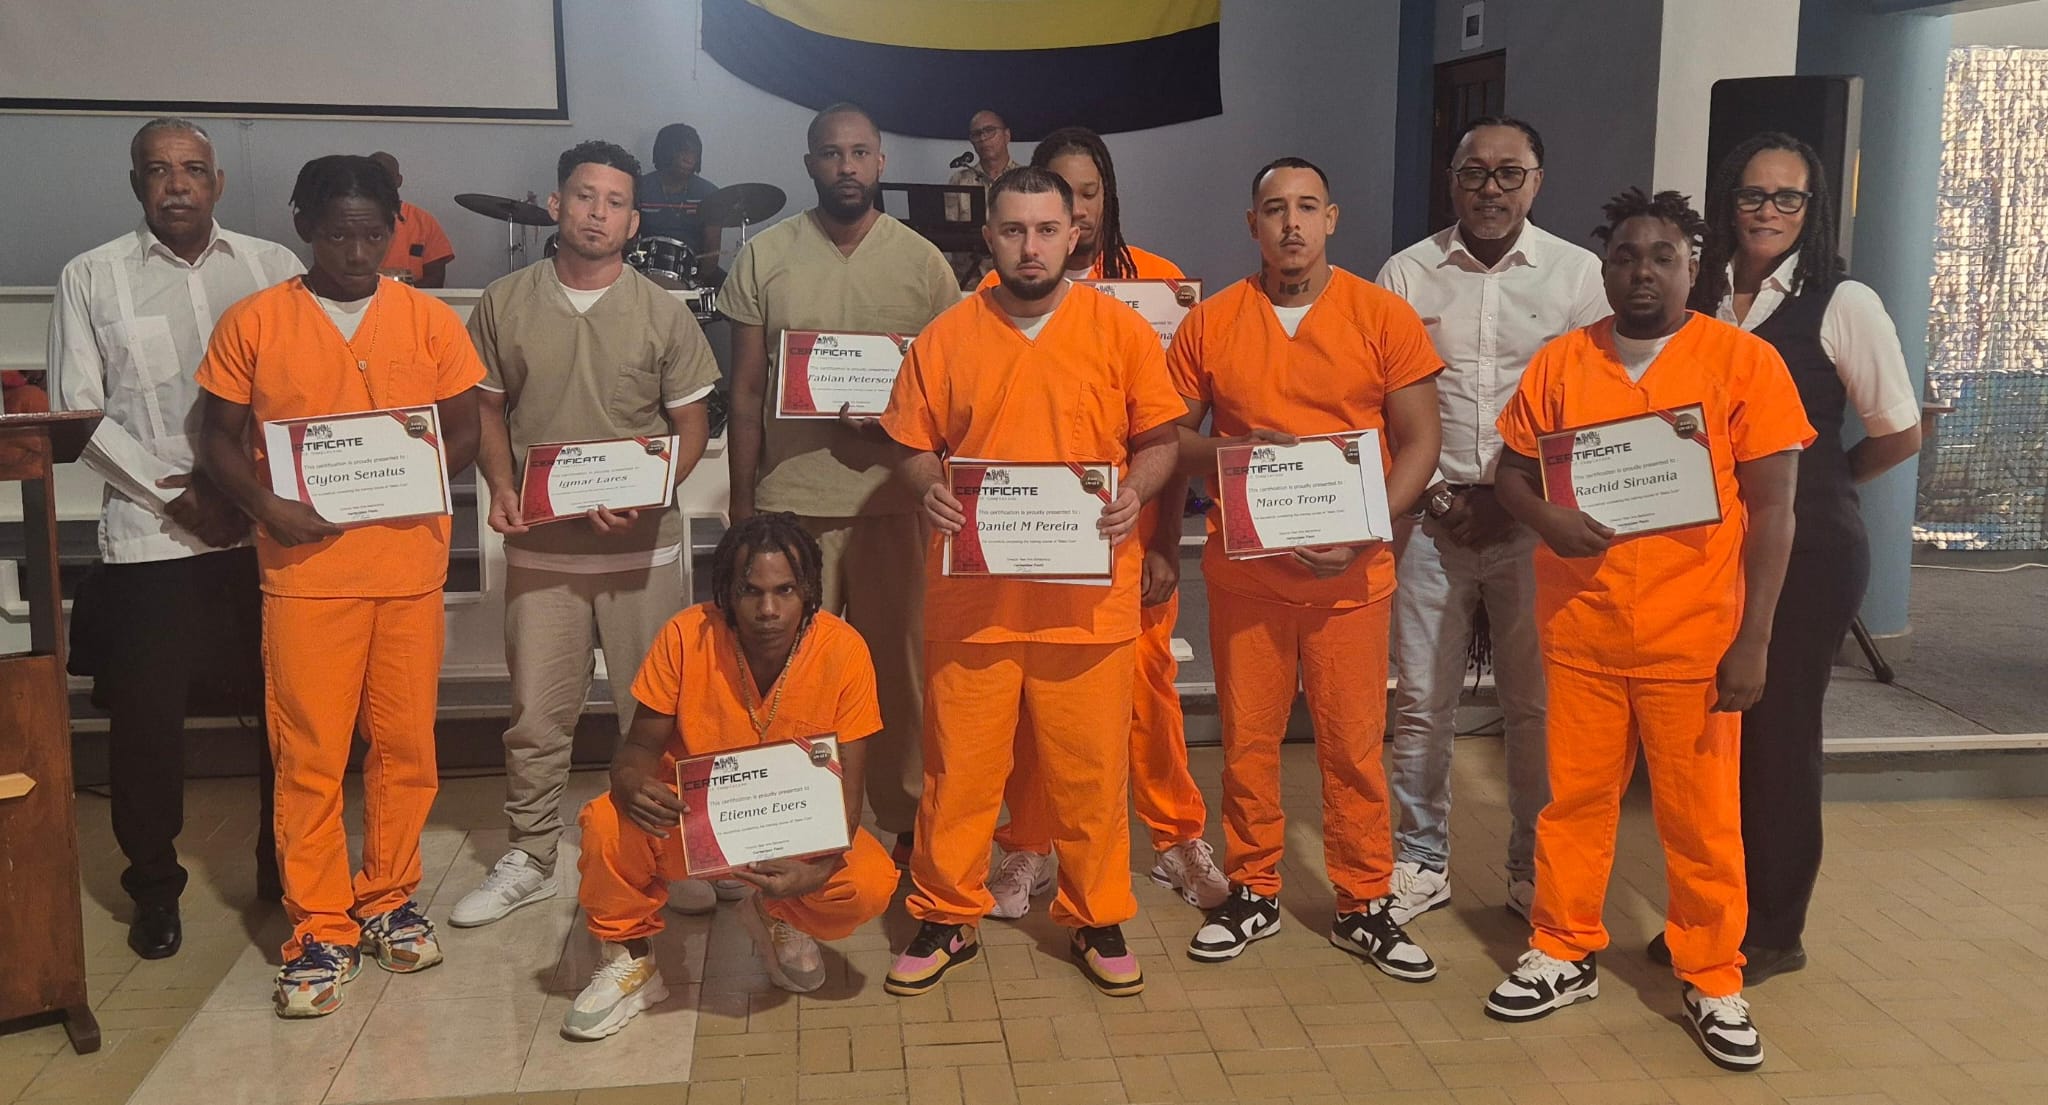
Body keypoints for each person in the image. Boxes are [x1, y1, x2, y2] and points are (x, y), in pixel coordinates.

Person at [1483, 188, 1810, 1073]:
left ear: (1693, 267)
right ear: (1604, 268)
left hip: (1695, 636)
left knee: (1701, 819)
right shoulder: (1563, 362)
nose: (1642, 272)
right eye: (1625, 256)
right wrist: (1546, 519)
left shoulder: (1742, 363)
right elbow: (1511, 473)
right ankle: (1562, 948)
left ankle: (1712, 975)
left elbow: (1776, 510)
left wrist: (1755, 638)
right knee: (1572, 804)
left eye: (1663, 256)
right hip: (1582, 629)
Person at [879, 166, 1183, 998]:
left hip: (1087, 604)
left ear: (1075, 233)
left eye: (1047, 229)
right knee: (960, 773)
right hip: (975, 602)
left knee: (1090, 775)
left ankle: (1096, 916)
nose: (1030, 247)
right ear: (989, 237)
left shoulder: (1119, 332)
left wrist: (1136, 491)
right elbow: (910, 442)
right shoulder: (949, 335)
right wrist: (926, 484)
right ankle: (946, 913)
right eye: (1013, 230)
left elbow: (1161, 438)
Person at [195, 154, 483, 1018]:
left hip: (407, 570)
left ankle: (389, 897)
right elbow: (216, 437)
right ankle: (320, 925)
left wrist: (410, 475)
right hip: (305, 576)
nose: (356, 253)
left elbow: (466, 427)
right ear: (303, 228)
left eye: (372, 234)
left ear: (396, 229)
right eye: (336, 234)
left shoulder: (428, 320)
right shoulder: (256, 321)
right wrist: (264, 504)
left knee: (405, 748)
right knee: (311, 756)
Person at [1641, 133, 1920, 984]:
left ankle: (1771, 930)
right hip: (1707, 551)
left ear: (1812, 208)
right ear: (1728, 200)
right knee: (1710, 736)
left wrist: (1819, 487)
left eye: (1787, 198)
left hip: (1810, 553)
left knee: (1778, 734)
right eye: (1753, 195)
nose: (1768, 212)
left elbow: (1898, 432)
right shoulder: (1701, 292)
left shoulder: (1844, 302)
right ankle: (1713, 913)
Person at [1167, 158, 1444, 981]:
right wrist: (1229, 450)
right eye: (1274, 208)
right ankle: (1253, 887)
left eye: (1306, 207)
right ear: (1251, 223)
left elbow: (1421, 440)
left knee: (1353, 747)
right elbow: (1170, 437)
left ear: (1332, 218)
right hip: (1247, 572)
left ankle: (1363, 899)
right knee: (1248, 742)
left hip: (1349, 576)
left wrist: (1366, 527)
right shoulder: (1213, 322)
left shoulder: (1382, 316)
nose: (1291, 223)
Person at [449, 140, 721, 928]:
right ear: (556, 205)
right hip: (543, 548)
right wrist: (502, 486)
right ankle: (532, 854)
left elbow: (691, 425)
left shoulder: (663, 311)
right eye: (583, 196)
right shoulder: (504, 302)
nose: (597, 213)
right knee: (537, 717)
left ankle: (663, 852)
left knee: (655, 718)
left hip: (643, 552)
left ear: (634, 222)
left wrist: (652, 491)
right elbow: (488, 407)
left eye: (614, 202)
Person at [46, 117, 300, 960]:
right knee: (146, 728)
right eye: (159, 170)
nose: (177, 184)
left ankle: (282, 865)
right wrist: (183, 497)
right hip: (152, 542)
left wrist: (247, 496)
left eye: (193, 169)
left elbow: (301, 393)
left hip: (262, 535)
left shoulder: (273, 267)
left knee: (287, 711)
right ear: (137, 184)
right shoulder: (91, 277)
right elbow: (79, 415)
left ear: (218, 182)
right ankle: (154, 887)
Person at [980, 126, 1225, 921]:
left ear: (1108, 197)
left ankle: (1176, 837)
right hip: (1032, 541)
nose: (1078, 210)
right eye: (1063, 192)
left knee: (1148, 691)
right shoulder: (997, 290)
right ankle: (1029, 844)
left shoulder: (1159, 287)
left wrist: (1164, 540)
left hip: (1127, 535)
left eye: (1090, 193)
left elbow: (1170, 432)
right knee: (1032, 701)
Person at [1376, 116, 1608, 925]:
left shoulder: (1579, 277)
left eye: (1510, 173)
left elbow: (1589, 407)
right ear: (1452, 180)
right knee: (1421, 701)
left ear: (1537, 182)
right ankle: (1420, 860)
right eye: (1474, 172)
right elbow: (1385, 404)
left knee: (1536, 706)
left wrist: (1517, 499)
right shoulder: (1406, 274)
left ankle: (1531, 866)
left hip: (1533, 523)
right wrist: (1440, 495)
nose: (1491, 188)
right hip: (1433, 519)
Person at [723, 103, 959, 868]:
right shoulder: (765, 256)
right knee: (789, 677)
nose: (846, 166)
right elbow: (746, 391)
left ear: (881, 162)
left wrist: (898, 423)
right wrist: (742, 505)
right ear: (810, 164)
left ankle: (903, 820)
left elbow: (948, 392)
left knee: (899, 674)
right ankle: (793, 828)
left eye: (860, 152)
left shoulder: (923, 263)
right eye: (831, 153)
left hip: (893, 502)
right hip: (790, 506)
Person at [563, 513, 897, 1040]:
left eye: (785, 590)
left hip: (793, 834)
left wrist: (815, 874)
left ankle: (778, 914)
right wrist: (628, 780)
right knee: (606, 823)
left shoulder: (844, 649)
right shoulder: (685, 634)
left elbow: (848, 801)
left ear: (809, 590)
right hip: (690, 824)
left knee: (867, 882)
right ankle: (631, 956)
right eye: (750, 591)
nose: (768, 610)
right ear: (725, 592)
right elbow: (639, 748)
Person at [945, 109, 1013, 288]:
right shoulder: (959, 180)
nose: (983, 138)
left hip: (1011, 281)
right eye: (976, 134)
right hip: (966, 281)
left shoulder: (1024, 178)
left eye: (989, 131)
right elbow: (946, 233)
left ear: (1007, 135)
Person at [367, 152, 454, 288]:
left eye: (386, 176)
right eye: (373, 176)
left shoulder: (424, 222)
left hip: (410, 298)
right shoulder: (347, 220)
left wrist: (400, 293)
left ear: (399, 180)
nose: (380, 183)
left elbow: (436, 279)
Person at [636, 123, 720, 257]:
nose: (689, 159)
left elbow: (712, 249)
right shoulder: (639, 187)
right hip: (644, 263)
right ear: (665, 152)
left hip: (693, 266)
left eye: (694, 153)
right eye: (683, 152)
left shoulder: (708, 193)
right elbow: (627, 238)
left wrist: (704, 270)